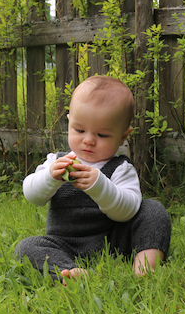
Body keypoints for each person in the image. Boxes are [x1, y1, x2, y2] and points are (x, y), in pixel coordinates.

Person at [15, 75, 172, 283]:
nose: (88, 140)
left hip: (113, 243)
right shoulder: (56, 161)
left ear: (123, 136)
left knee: (153, 211)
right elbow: (32, 195)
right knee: (26, 248)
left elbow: (128, 211)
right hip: (64, 244)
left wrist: (100, 186)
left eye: (102, 135)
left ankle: (144, 270)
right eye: (79, 130)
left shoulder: (120, 169)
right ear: (69, 122)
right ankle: (71, 272)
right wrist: (51, 177)